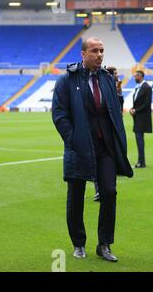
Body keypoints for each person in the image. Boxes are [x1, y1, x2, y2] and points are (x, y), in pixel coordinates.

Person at [52, 36, 133, 262]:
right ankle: (78, 243)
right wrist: (73, 139)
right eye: (95, 51)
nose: (99, 55)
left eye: (102, 50)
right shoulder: (67, 80)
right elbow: (59, 114)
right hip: (79, 147)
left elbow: (115, 109)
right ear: (83, 54)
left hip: (105, 147)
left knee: (109, 192)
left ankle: (104, 244)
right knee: (76, 197)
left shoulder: (107, 78)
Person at [129, 70, 152, 168]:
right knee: (139, 139)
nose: (135, 78)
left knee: (139, 140)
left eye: (136, 76)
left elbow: (147, 104)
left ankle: (141, 162)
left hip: (142, 118)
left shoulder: (146, 87)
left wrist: (135, 111)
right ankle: (141, 161)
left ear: (141, 76)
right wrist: (132, 109)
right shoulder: (138, 87)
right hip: (138, 117)